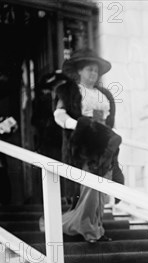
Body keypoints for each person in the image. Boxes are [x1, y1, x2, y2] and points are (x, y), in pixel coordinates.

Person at [53, 49, 122, 243]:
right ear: (79, 71)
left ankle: (96, 228)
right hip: (83, 144)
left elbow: (107, 121)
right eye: (89, 70)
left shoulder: (103, 95)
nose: (93, 74)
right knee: (89, 186)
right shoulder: (70, 90)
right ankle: (82, 227)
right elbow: (59, 114)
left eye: (96, 71)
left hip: (103, 142)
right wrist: (78, 125)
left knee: (102, 186)